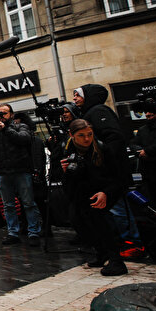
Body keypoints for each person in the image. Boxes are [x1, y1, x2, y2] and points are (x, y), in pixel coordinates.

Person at [73, 84, 142, 256]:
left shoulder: (98, 112)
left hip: (110, 174)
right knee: (110, 209)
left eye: (78, 95)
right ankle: (119, 242)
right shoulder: (90, 113)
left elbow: (114, 138)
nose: (74, 98)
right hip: (101, 172)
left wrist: (103, 160)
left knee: (118, 208)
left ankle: (132, 243)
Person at [61, 119, 127, 276]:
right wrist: (66, 171)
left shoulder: (102, 149)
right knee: (81, 222)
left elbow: (118, 177)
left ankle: (116, 259)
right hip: (82, 193)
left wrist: (106, 193)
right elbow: (71, 179)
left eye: (89, 135)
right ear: (72, 135)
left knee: (102, 224)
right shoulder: (68, 150)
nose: (86, 139)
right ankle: (101, 253)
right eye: (81, 135)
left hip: (102, 191)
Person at [0, 103, 43, 246]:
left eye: (5, 113)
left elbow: (24, 139)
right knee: (8, 205)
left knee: (28, 203)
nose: (1, 116)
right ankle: (13, 232)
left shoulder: (20, 126)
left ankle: (33, 232)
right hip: (2, 172)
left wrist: (6, 129)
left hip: (21, 171)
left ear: (11, 115)